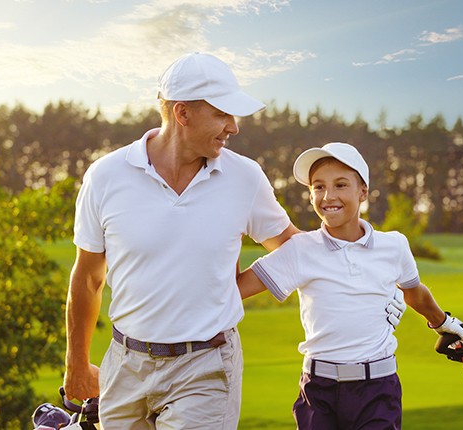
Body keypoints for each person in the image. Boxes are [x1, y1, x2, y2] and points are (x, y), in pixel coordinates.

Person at [62, 52, 301, 429]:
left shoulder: (245, 177)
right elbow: (88, 277)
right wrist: (76, 362)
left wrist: (238, 287)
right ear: (182, 113)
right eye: (222, 114)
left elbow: (294, 248)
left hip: (205, 366)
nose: (233, 128)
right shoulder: (105, 176)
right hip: (125, 365)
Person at [236, 142, 463, 430]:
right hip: (318, 391)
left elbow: (414, 292)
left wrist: (442, 321)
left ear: (363, 192)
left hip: (377, 390)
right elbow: (235, 289)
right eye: (318, 187)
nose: (328, 196)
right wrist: (230, 232)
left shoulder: (394, 245)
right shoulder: (300, 249)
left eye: (340, 185)